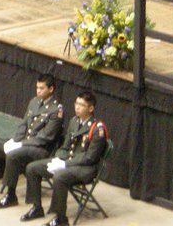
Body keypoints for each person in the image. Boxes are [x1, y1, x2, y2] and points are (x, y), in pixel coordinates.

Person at [0, 74, 63, 209]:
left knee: (13, 155)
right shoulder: (34, 102)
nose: (38, 91)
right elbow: (24, 124)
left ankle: (10, 195)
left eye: (42, 88)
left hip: (41, 149)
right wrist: (15, 140)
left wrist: (21, 144)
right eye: (37, 88)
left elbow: (46, 137)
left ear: (51, 89)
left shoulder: (56, 110)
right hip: (24, 142)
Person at [21, 91, 108, 226]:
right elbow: (65, 147)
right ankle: (36, 207)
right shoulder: (74, 121)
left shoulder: (97, 129)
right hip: (68, 162)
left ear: (91, 108)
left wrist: (65, 164)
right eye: (76, 103)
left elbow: (90, 158)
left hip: (86, 169)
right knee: (32, 168)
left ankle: (60, 218)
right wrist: (58, 158)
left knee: (59, 176)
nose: (77, 107)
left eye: (82, 105)